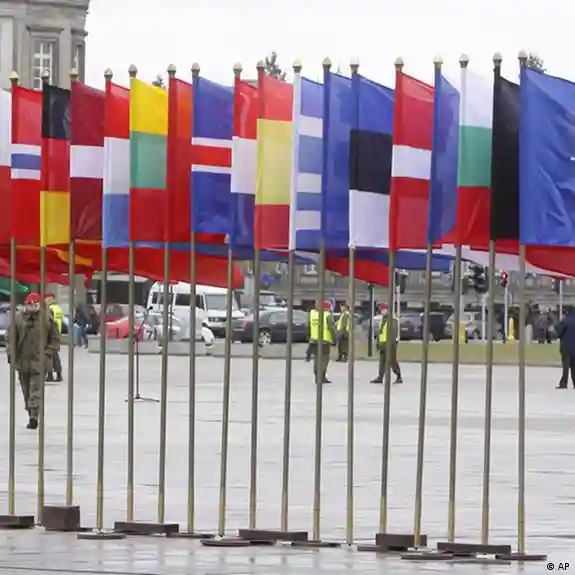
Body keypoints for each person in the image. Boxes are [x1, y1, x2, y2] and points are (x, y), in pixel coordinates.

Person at [7, 292, 60, 429]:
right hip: (22, 361)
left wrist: (47, 354)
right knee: (26, 391)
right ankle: (30, 411)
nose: (32, 307)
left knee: (36, 390)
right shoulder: (18, 319)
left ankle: (34, 415)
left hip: (39, 361)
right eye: (29, 305)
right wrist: (11, 354)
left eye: (34, 305)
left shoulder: (46, 319)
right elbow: (11, 338)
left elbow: (55, 339)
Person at [371, 303, 403, 384]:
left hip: (390, 345)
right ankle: (380, 377)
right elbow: (380, 332)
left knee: (392, 361)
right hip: (382, 344)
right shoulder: (383, 319)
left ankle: (399, 376)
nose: (381, 311)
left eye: (383, 309)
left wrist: (391, 344)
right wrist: (378, 343)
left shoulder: (392, 319)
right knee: (382, 361)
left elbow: (393, 333)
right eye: (381, 309)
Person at [309, 300, 336, 384]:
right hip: (325, 341)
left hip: (314, 340)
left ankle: (318, 376)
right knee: (324, 360)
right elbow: (332, 328)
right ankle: (321, 376)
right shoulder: (327, 315)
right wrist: (334, 339)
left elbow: (308, 326)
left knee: (316, 359)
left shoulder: (312, 313)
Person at [46, 292, 63, 381]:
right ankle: (59, 374)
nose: (46, 300)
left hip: (51, 335)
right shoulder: (58, 308)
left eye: (47, 298)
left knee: (50, 356)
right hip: (57, 334)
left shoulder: (50, 309)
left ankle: (50, 375)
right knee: (55, 356)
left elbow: (49, 322)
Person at [555, 310, 575, 389]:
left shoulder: (566, 320)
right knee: (574, 366)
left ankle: (564, 383)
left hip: (566, 347)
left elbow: (558, 331)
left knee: (566, 366)